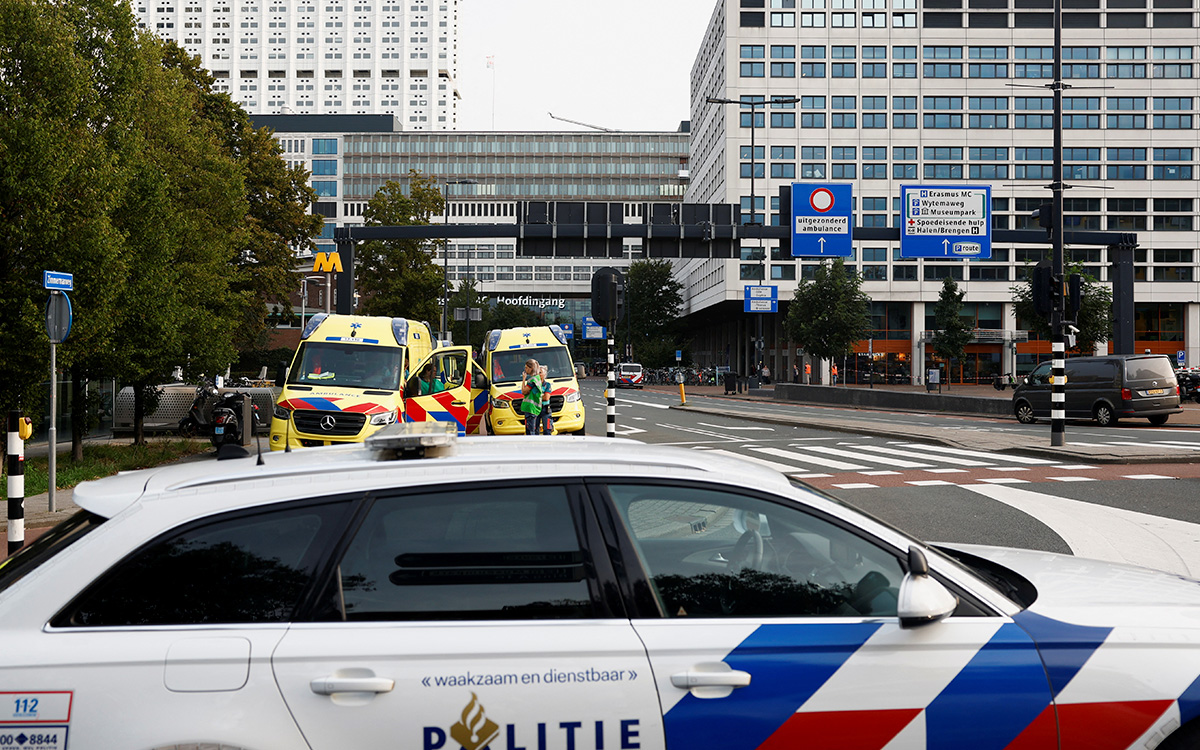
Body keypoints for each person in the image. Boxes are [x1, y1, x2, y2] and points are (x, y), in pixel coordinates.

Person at [520, 358, 543, 435]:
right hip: (535, 408)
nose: (525, 369)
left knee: (530, 431)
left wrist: (523, 379)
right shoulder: (537, 378)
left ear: (531, 368)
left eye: (526, 368)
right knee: (535, 431)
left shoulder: (532, 380)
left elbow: (524, 391)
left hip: (530, 408)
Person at [538, 365, 554, 435]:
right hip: (535, 408)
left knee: (547, 429)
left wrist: (537, 396)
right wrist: (542, 395)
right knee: (534, 430)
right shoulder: (533, 384)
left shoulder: (547, 385)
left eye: (540, 372)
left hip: (545, 408)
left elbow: (546, 398)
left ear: (545, 374)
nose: (538, 374)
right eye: (537, 372)